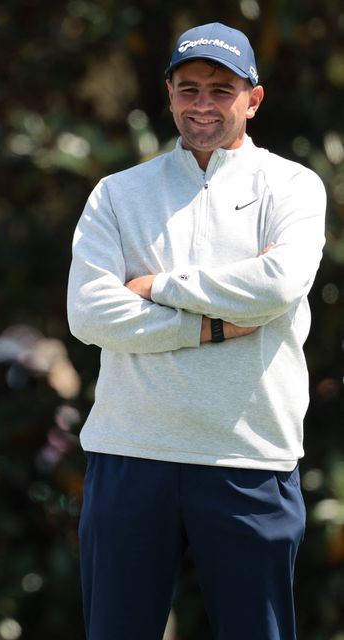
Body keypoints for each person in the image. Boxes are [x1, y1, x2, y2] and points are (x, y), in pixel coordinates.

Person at [67, 23, 326, 640]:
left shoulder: (292, 186)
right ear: (170, 94)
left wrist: (159, 286)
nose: (203, 104)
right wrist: (208, 328)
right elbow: (89, 314)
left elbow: (279, 284)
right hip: (132, 451)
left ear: (253, 98)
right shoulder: (117, 194)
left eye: (221, 89)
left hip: (249, 456)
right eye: (189, 89)